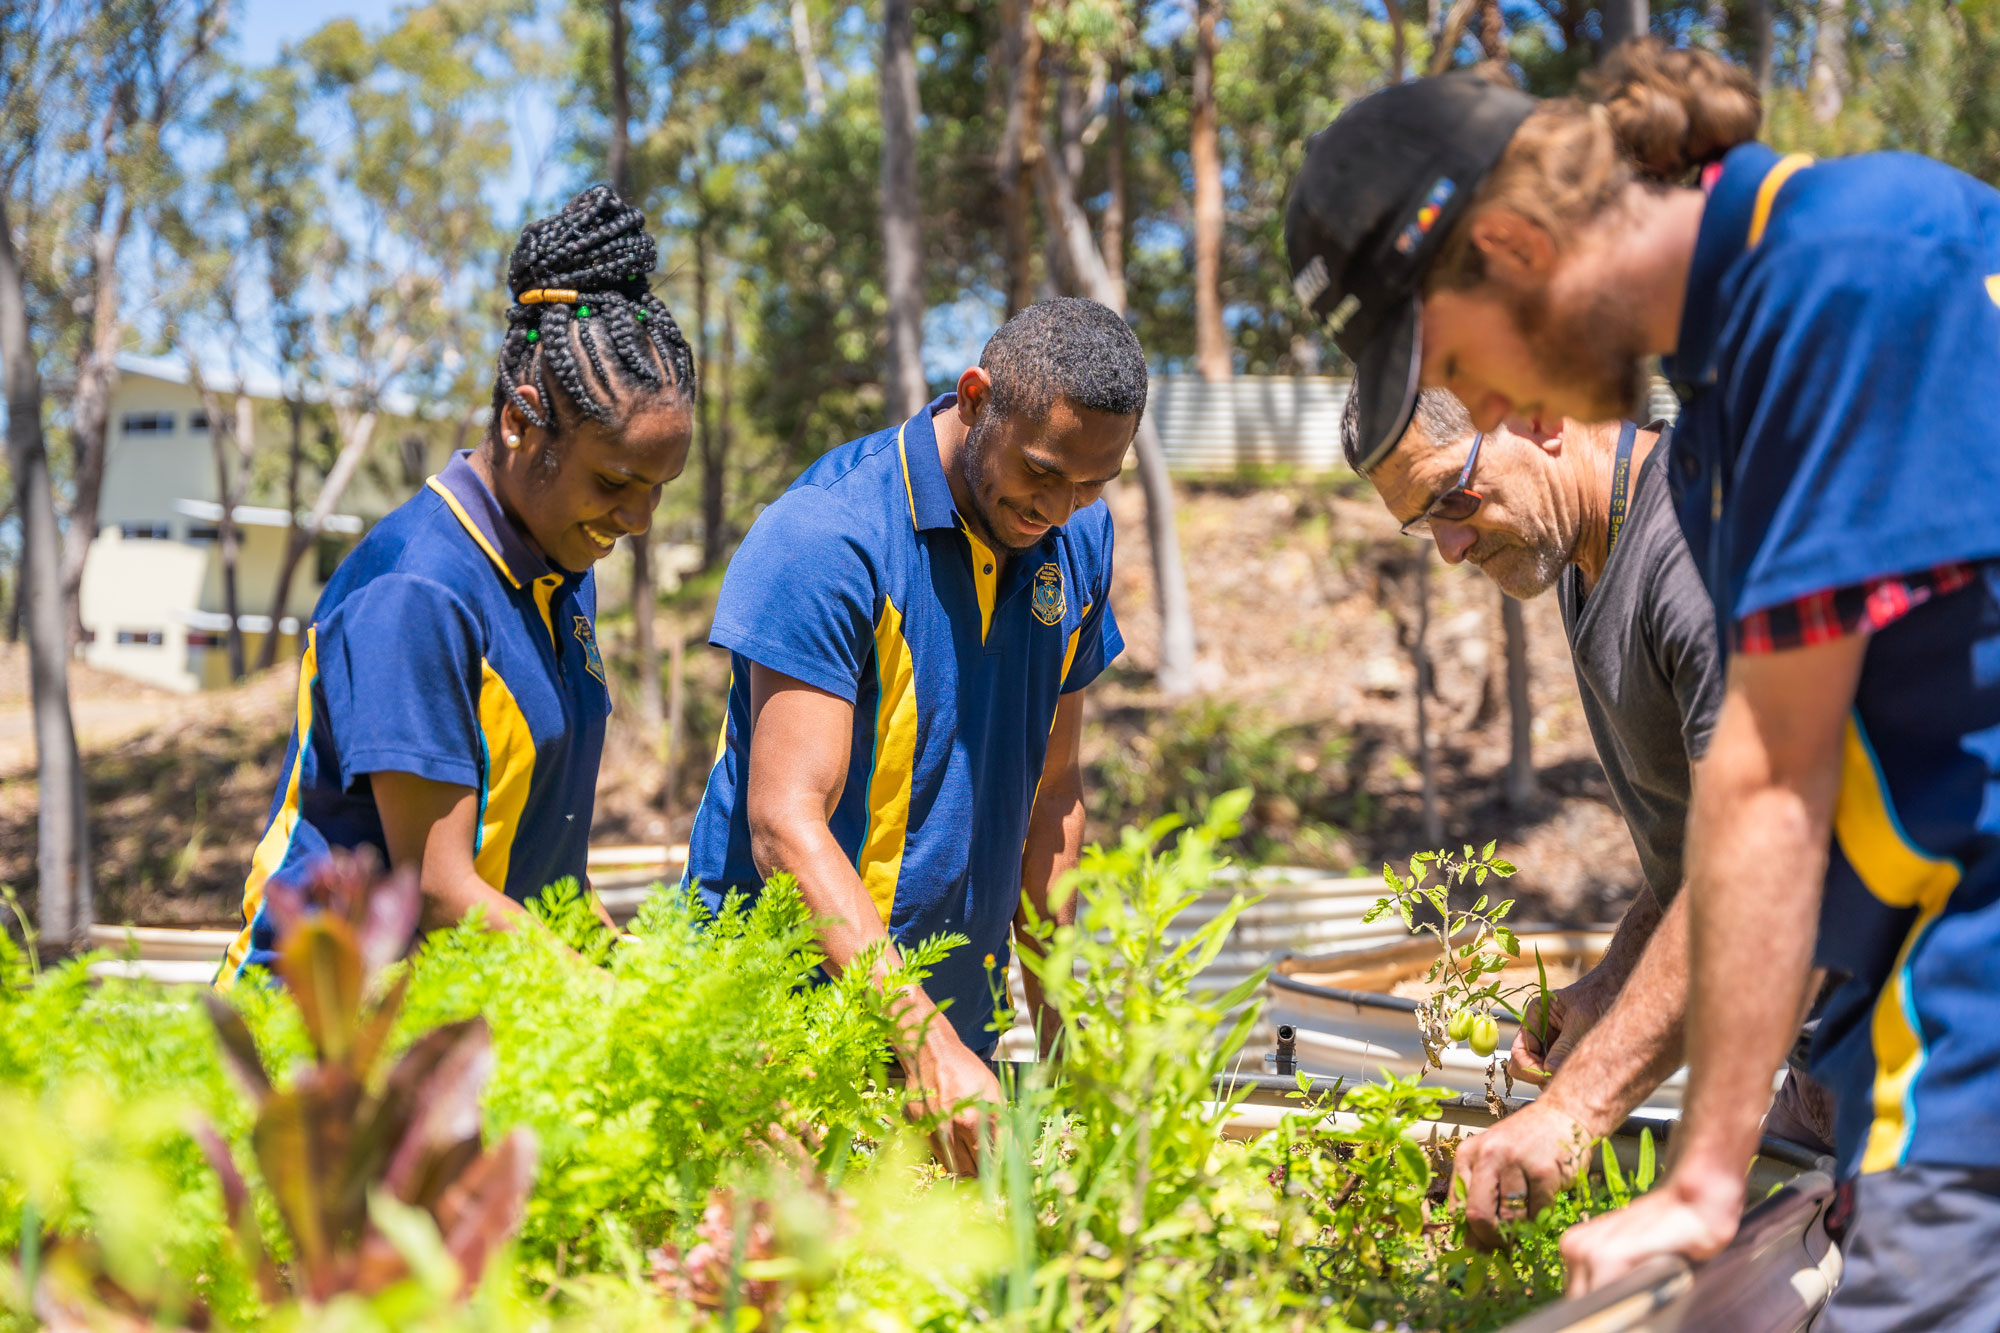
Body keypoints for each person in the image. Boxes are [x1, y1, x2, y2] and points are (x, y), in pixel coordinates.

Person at [1285, 38, 2000, 1326]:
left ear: (1507, 250)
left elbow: (1775, 779)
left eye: (1452, 370)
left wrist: (1683, 1165)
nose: (1477, 402)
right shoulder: (1736, 385)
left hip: (1962, 1050)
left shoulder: (1848, 270)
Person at [1343, 388, 1835, 1247]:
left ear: (1540, 410)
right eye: (1423, 524)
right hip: (1827, 1074)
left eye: (1454, 498)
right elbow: (1701, 845)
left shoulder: (1697, 547)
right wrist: (1609, 990)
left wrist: (1573, 1113)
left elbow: (1770, 866)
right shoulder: (1584, 554)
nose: (1452, 549)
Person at [681, 297, 1137, 1174]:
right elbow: (785, 823)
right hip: (780, 1045)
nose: (1060, 506)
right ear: (975, 398)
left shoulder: (1077, 539)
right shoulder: (829, 534)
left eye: (1092, 485)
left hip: (953, 1049)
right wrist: (922, 1042)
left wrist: (1066, 1040)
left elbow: (1055, 793)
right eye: (1042, 471)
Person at [217, 186, 696, 989]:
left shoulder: (559, 571)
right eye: (616, 480)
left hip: (468, 1027)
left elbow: (548, 875)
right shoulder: (419, 589)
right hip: (320, 1044)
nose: (639, 519)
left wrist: (645, 977)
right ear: (520, 421)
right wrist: (623, 1011)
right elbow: (439, 893)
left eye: (659, 488)